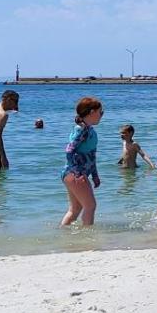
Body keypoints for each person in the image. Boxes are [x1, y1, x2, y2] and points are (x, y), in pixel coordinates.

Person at [60, 97, 103, 226]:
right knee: (90, 206)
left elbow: (92, 156)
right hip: (74, 173)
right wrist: (77, 172)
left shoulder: (90, 130)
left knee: (75, 209)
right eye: (100, 112)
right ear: (92, 112)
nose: (101, 115)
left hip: (72, 173)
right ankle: (87, 235)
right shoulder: (82, 130)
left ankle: (63, 233)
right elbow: (69, 150)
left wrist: (95, 175)